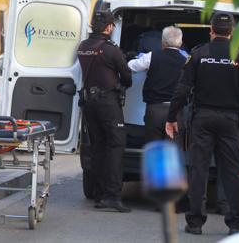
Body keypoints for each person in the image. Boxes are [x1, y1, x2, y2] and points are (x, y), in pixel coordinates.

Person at [164, 12, 239, 235]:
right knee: (232, 172)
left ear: (211, 30)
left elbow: (182, 90)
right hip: (230, 121)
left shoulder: (199, 54)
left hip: (203, 119)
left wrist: (171, 117)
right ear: (232, 33)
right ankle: (235, 224)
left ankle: (195, 223)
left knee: (199, 169)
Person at [78, 11, 133, 213]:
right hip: (108, 103)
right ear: (109, 27)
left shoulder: (83, 47)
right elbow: (127, 77)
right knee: (116, 146)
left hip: (89, 103)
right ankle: (113, 196)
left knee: (98, 147)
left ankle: (100, 195)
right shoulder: (111, 50)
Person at [127, 26, 188, 143]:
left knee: (153, 147)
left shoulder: (151, 56)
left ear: (163, 42)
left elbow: (130, 66)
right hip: (176, 111)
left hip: (154, 110)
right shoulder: (187, 60)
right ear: (180, 43)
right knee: (173, 149)